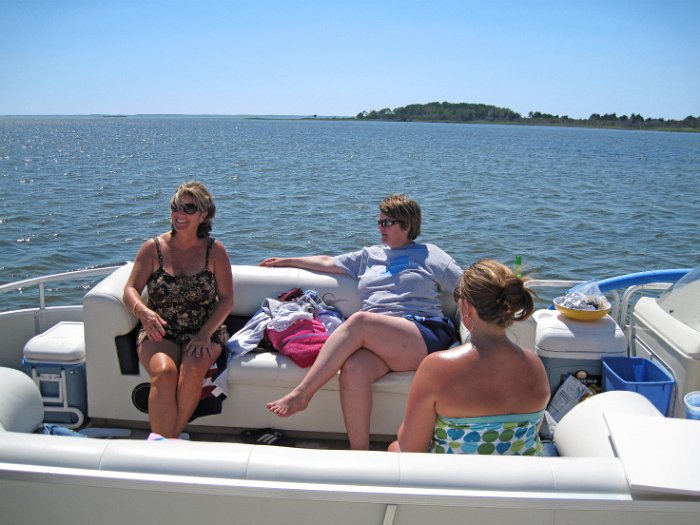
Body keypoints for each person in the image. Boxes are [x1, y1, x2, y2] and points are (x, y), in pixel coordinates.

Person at [261, 194, 463, 450]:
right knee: (353, 369)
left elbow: (465, 285)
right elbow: (328, 262)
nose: (380, 228)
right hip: (380, 341)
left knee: (360, 321)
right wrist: (287, 260)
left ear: (407, 225)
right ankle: (360, 453)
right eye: (378, 222)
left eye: (386, 223)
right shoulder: (370, 255)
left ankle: (302, 395)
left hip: (421, 332)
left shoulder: (430, 255)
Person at [388, 259, 550, 455]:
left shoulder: (436, 368)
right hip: (522, 481)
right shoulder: (535, 365)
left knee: (394, 448)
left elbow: (410, 449)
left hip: (456, 481)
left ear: (467, 308)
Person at [123, 181, 234, 439]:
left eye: (188, 208)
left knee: (193, 370)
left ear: (203, 215)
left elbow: (227, 299)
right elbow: (130, 289)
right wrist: (142, 312)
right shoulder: (153, 248)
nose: (179, 214)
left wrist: (206, 333)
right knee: (164, 373)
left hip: (204, 329)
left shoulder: (215, 251)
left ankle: (166, 440)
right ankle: (167, 442)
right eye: (175, 207)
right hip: (161, 327)